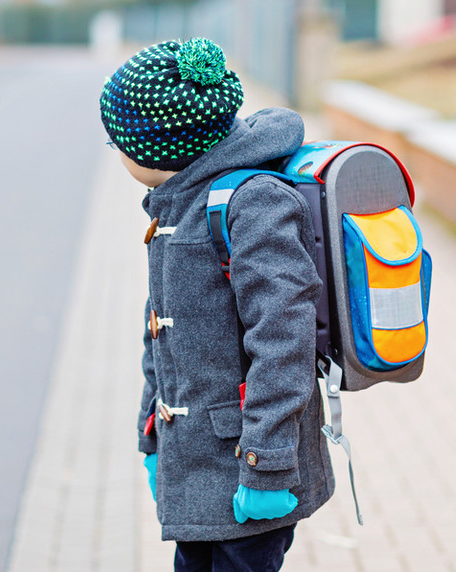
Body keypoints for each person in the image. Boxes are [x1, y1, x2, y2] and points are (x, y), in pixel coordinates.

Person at [100, 38, 334, 572]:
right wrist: (151, 433)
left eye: (119, 141)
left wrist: (267, 465)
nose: (115, 153)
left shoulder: (252, 203)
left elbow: (284, 339)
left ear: (159, 148)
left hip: (247, 466)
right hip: (195, 464)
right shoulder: (181, 200)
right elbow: (159, 333)